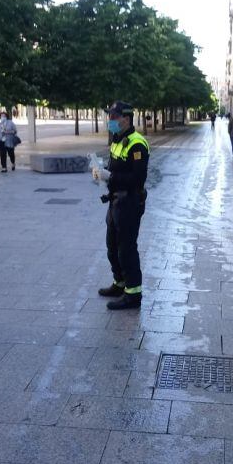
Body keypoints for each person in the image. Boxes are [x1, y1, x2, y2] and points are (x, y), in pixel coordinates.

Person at [93, 101, 149, 310]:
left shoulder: (137, 144)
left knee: (126, 249)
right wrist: (101, 173)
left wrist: (112, 176)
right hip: (115, 201)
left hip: (129, 203)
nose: (111, 121)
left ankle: (133, 294)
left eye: (114, 117)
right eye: (110, 116)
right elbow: (114, 167)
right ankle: (120, 283)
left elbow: (137, 178)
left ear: (126, 118)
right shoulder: (117, 140)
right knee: (112, 246)